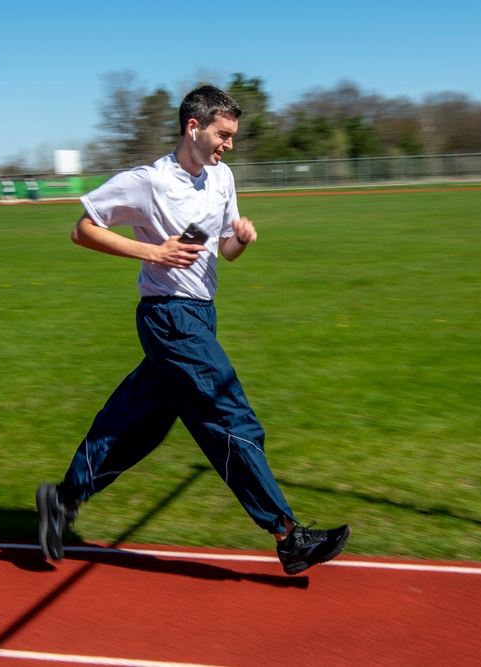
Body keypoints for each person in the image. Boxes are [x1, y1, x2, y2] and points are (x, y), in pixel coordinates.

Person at [36, 85, 350, 575]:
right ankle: (288, 535)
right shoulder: (148, 182)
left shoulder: (222, 178)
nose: (229, 144)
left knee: (135, 423)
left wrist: (241, 239)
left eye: (232, 136)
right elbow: (83, 230)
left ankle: (62, 498)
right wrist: (153, 252)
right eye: (223, 135)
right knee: (227, 413)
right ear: (193, 127)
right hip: (168, 315)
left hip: (200, 314)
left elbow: (224, 249)